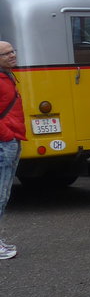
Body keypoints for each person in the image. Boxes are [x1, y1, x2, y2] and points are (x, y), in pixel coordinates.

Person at [0, 41, 25, 260]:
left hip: (11, 140)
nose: (12, 55)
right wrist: (7, 135)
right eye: (6, 54)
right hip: (4, 143)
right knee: (0, 194)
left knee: (4, 193)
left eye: (13, 51)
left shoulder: (7, 76)